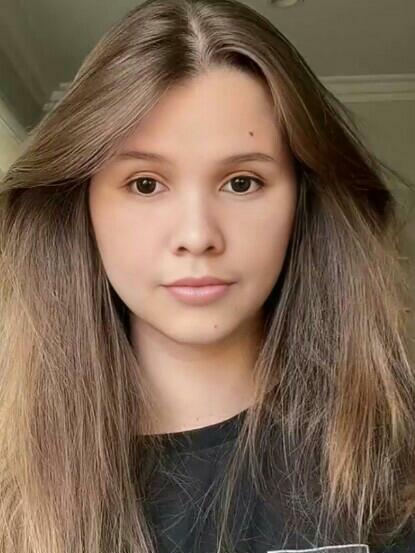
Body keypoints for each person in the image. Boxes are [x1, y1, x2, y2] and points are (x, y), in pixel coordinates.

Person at [0, 0, 414, 552]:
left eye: (242, 183)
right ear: (82, 205)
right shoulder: (13, 484)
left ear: (303, 202)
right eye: (146, 184)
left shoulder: (397, 455)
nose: (197, 235)